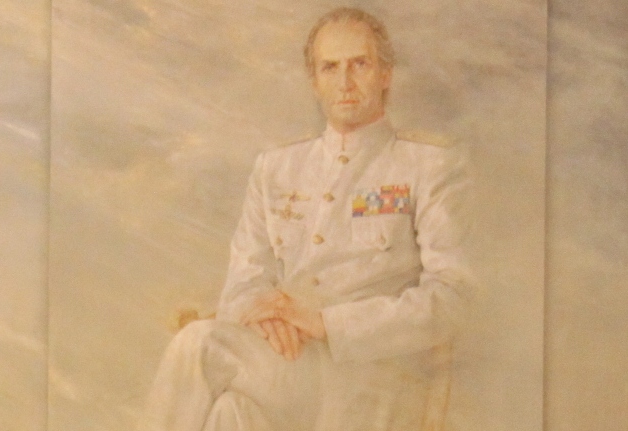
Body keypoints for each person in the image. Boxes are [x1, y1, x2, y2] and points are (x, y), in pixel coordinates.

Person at [142, 7, 473, 431]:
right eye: (330, 67)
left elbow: (452, 300)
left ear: (385, 74)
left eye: (360, 64)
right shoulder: (276, 168)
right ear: (314, 81)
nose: (345, 82)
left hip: (368, 383)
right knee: (231, 413)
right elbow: (242, 283)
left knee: (198, 345)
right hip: (286, 367)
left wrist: (325, 323)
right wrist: (265, 316)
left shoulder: (427, 166)